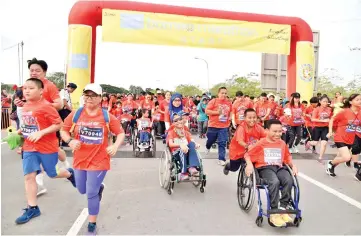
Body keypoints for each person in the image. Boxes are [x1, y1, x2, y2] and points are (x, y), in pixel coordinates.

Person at [61, 83, 125, 233]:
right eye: (86, 95)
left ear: (100, 98)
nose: (89, 98)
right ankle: (82, 180)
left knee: (90, 192)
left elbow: (120, 133)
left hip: (100, 160)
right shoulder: (76, 114)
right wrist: (70, 141)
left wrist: (115, 146)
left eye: (93, 95)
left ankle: (92, 224)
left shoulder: (106, 116)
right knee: (81, 189)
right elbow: (63, 130)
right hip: (80, 159)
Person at [15, 78, 76, 224]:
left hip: (47, 147)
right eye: (25, 89)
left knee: (52, 173)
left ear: (41, 91)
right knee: (29, 176)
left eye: (31, 88)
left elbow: (58, 124)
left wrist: (41, 133)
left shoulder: (47, 106)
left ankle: (70, 173)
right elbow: (29, 125)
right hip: (30, 147)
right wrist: (19, 134)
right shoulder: (25, 107)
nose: (27, 91)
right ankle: (33, 207)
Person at [244, 119, 298, 227]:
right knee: (274, 182)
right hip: (265, 168)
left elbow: (287, 156)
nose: (278, 134)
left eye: (280, 131)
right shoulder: (261, 143)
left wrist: (293, 166)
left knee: (289, 180)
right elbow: (247, 155)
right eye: (274, 131)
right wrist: (249, 165)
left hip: (279, 167)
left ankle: (283, 208)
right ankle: (274, 212)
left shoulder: (282, 143)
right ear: (266, 130)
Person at [27, 58, 68, 195]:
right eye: (31, 70)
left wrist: (44, 107)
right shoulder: (28, 85)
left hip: (49, 124)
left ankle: (65, 164)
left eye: (37, 70)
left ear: (44, 72)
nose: (34, 73)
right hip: (33, 126)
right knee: (34, 154)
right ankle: (38, 182)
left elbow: (59, 104)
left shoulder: (49, 86)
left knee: (55, 150)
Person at [327, 94, 361, 181]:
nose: (359, 101)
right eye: (357, 100)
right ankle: (330, 163)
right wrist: (330, 131)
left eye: (360, 99)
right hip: (340, 136)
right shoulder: (344, 112)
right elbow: (332, 120)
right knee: (346, 157)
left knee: (340, 157)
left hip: (351, 138)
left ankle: (331, 166)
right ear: (350, 102)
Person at [224, 108, 266, 175]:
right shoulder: (241, 128)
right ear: (244, 118)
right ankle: (227, 166)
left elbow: (266, 137)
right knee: (234, 168)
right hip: (237, 152)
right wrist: (248, 146)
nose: (252, 120)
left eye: (254, 117)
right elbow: (240, 141)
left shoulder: (258, 128)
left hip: (250, 152)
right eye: (249, 118)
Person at [167, 113, 201, 181]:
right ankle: (183, 174)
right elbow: (170, 144)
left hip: (187, 150)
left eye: (180, 119)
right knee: (182, 151)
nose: (178, 121)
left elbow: (191, 140)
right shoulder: (171, 132)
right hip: (177, 152)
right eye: (175, 121)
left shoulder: (186, 133)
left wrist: (196, 144)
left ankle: (192, 167)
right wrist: (180, 145)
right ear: (172, 123)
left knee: (191, 144)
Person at [205, 87, 232, 166]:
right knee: (211, 140)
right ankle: (208, 147)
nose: (224, 95)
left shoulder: (228, 102)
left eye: (225, 93)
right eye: (222, 93)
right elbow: (207, 111)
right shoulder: (214, 101)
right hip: (213, 125)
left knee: (222, 142)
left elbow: (231, 111)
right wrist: (217, 112)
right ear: (218, 93)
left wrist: (230, 117)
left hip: (224, 126)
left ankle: (221, 159)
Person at [305, 95, 332, 162]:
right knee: (315, 143)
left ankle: (320, 157)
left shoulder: (329, 109)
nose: (325, 103)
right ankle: (308, 142)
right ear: (320, 101)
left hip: (325, 128)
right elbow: (313, 119)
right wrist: (323, 120)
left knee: (324, 143)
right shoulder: (316, 109)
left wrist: (331, 130)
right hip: (317, 127)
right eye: (324, 101)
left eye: (326, 101)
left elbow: (331, 119)